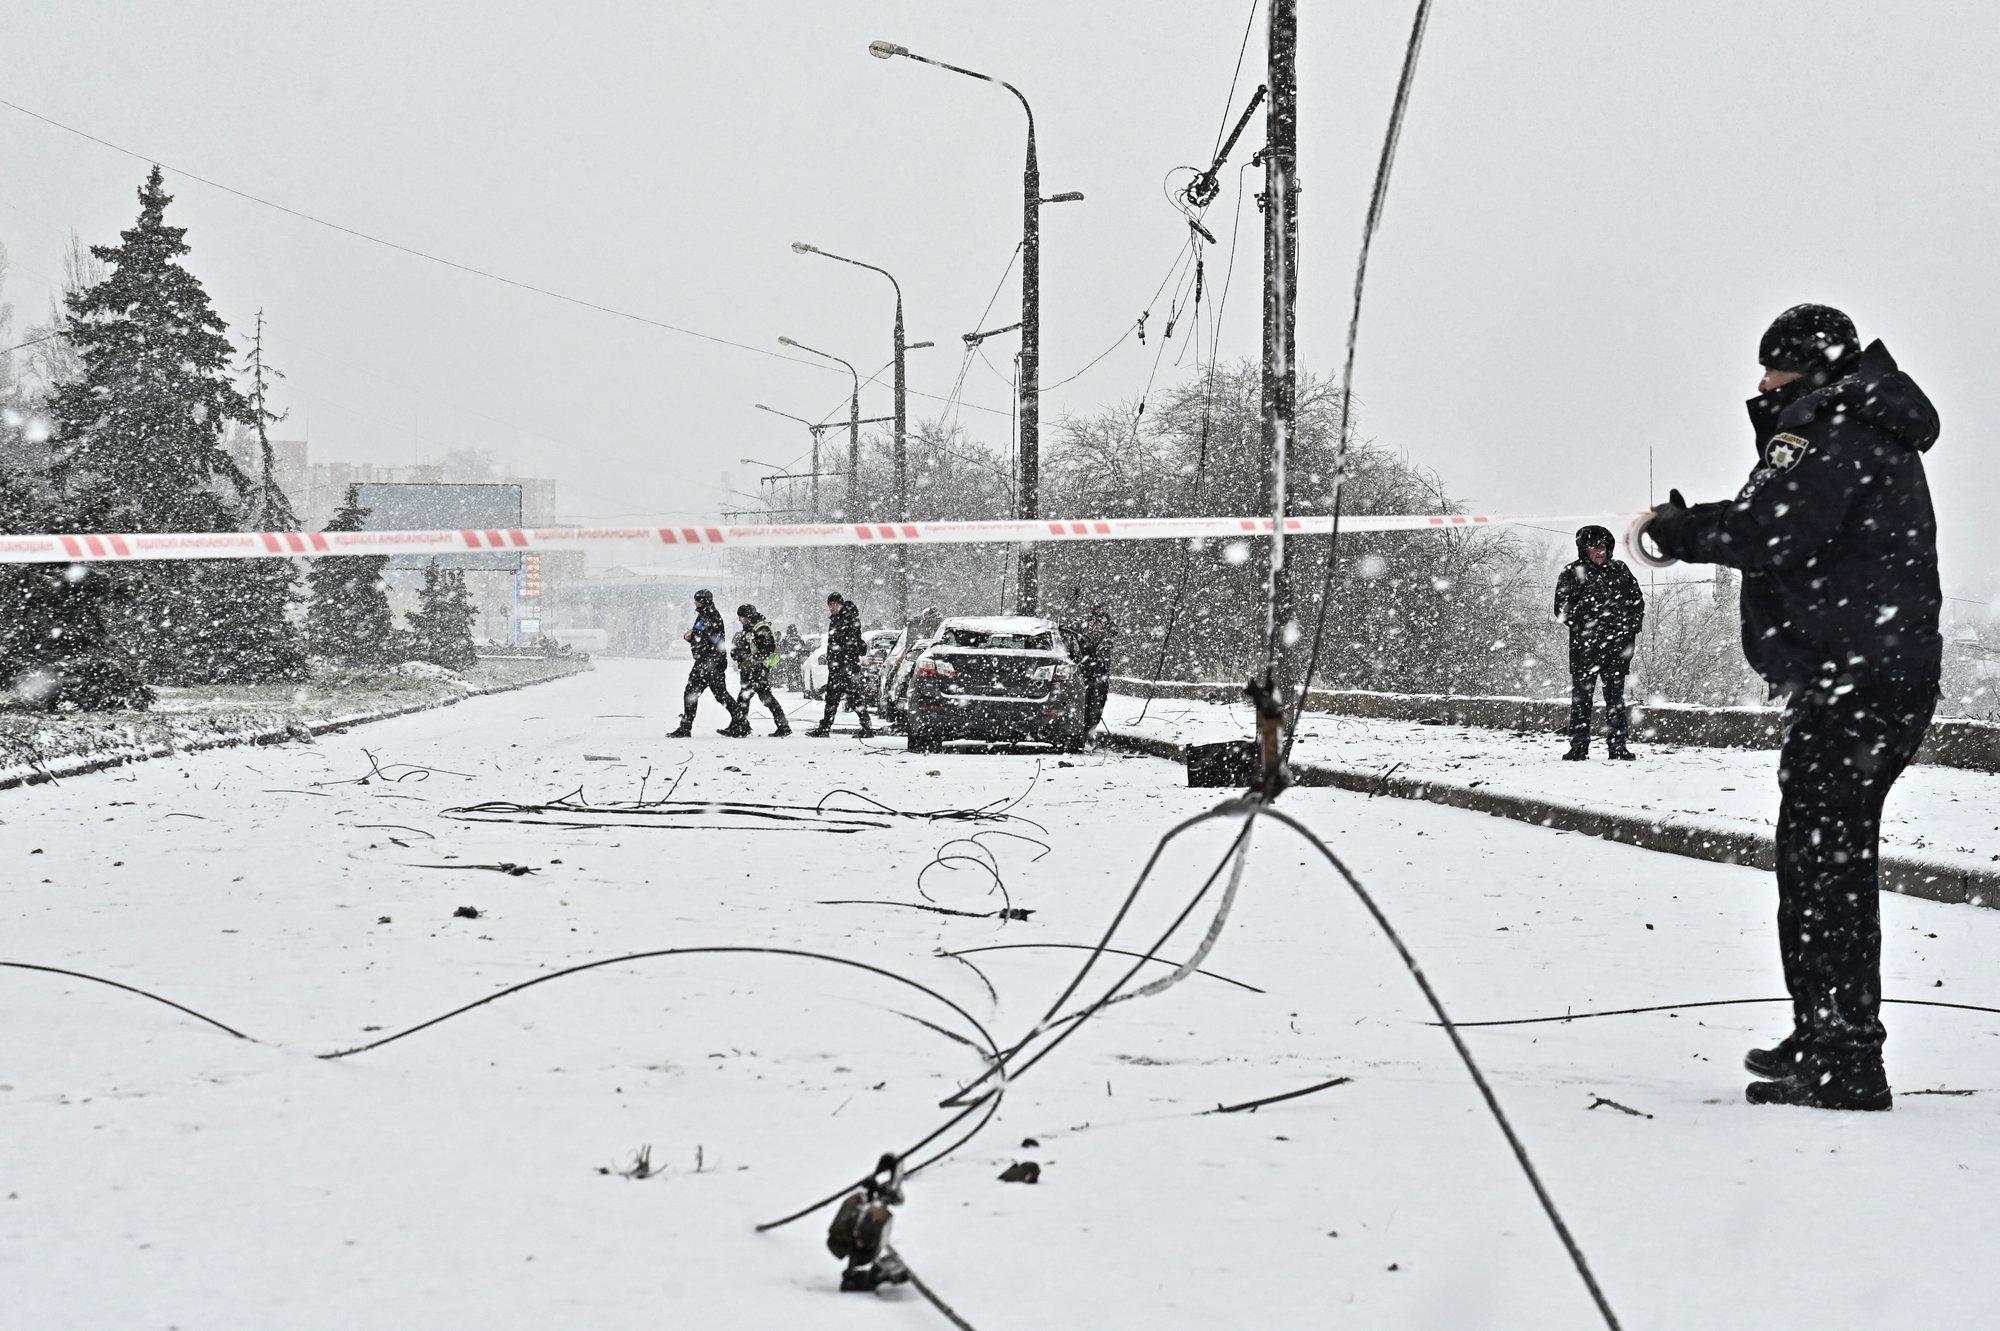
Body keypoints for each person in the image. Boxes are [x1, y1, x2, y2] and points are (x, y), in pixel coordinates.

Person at [1645, 303, 1941, 1112]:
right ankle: (1823, 1032)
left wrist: (1679, 531)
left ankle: (1845, 1054)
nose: (1762, 384)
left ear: (1803, 368)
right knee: (1818, 857)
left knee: (1826, 865)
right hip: (1873, 677)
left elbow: (1776, 529)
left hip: (1857, 683)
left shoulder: (1831, 423)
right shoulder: (1864, 419)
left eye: (1771, 368)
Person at [1551, 525, 1645, 760]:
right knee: (1582, 700)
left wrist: (1629, 629)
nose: (1599, 552)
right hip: (1585, 649)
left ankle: (1618, 746)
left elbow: (1637, 602)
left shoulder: (1620, 570)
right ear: (1585, 549)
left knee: (1616, 699)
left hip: (1615, 648)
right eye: (1594, 547)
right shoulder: (1572, 572)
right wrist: (1588, 621)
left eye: (1602, 547)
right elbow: (1562, 610)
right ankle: (1579, 746)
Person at [667, 589, 743, 738]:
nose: (694, 603)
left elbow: (711, 639)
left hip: (709, 662)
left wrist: (692, 637)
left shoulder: (710, 616)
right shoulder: (707, 615)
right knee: (718, 694)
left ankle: (686, 727)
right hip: (710, 661)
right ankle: (741, 723)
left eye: (696, 600)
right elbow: (705, 636)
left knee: (693, 693)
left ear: (702, 601)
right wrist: (693, 636)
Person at [807, 591, 874, 738]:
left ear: (840, 604)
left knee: (850, 696)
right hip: (840, 665)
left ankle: (865, 727)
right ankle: (826, 727)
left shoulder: (847, 618)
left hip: (846, 665)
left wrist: (841, 660)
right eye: (829, 605)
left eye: (833, 604)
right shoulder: (838, 618)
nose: (831, 607)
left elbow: (848, 642)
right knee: (836, 697)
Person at [728, 604, 791, 737]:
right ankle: (783, 726)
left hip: (758, 669)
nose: (740, 620)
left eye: (742, 617)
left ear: (748, 617)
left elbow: (767, 649)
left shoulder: (761, 628)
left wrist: (751, 660)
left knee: (745, 697)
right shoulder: (750, 628)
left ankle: (740, 726)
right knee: (764, 697)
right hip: (753, 670)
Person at [1071, 603, 1119, 732]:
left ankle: (1087, 732)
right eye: (1093, 621)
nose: (1095, 625)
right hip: (1086, 677)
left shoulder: (1104, 639)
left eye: (1099, 622)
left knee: (1095, 706)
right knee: (1085, 706)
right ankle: (1083, 732)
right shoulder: (1081, 636)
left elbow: (1102, 660)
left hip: (1097, 678)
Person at [777, 623, 808, 692]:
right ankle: (799, 686)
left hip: (789, 658)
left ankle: (792, 686)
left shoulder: (786, 638)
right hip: (797, 658)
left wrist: (785, 654)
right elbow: (803, 645)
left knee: (790, 672)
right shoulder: (798, 637)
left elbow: (781, 646)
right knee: (798, 672)